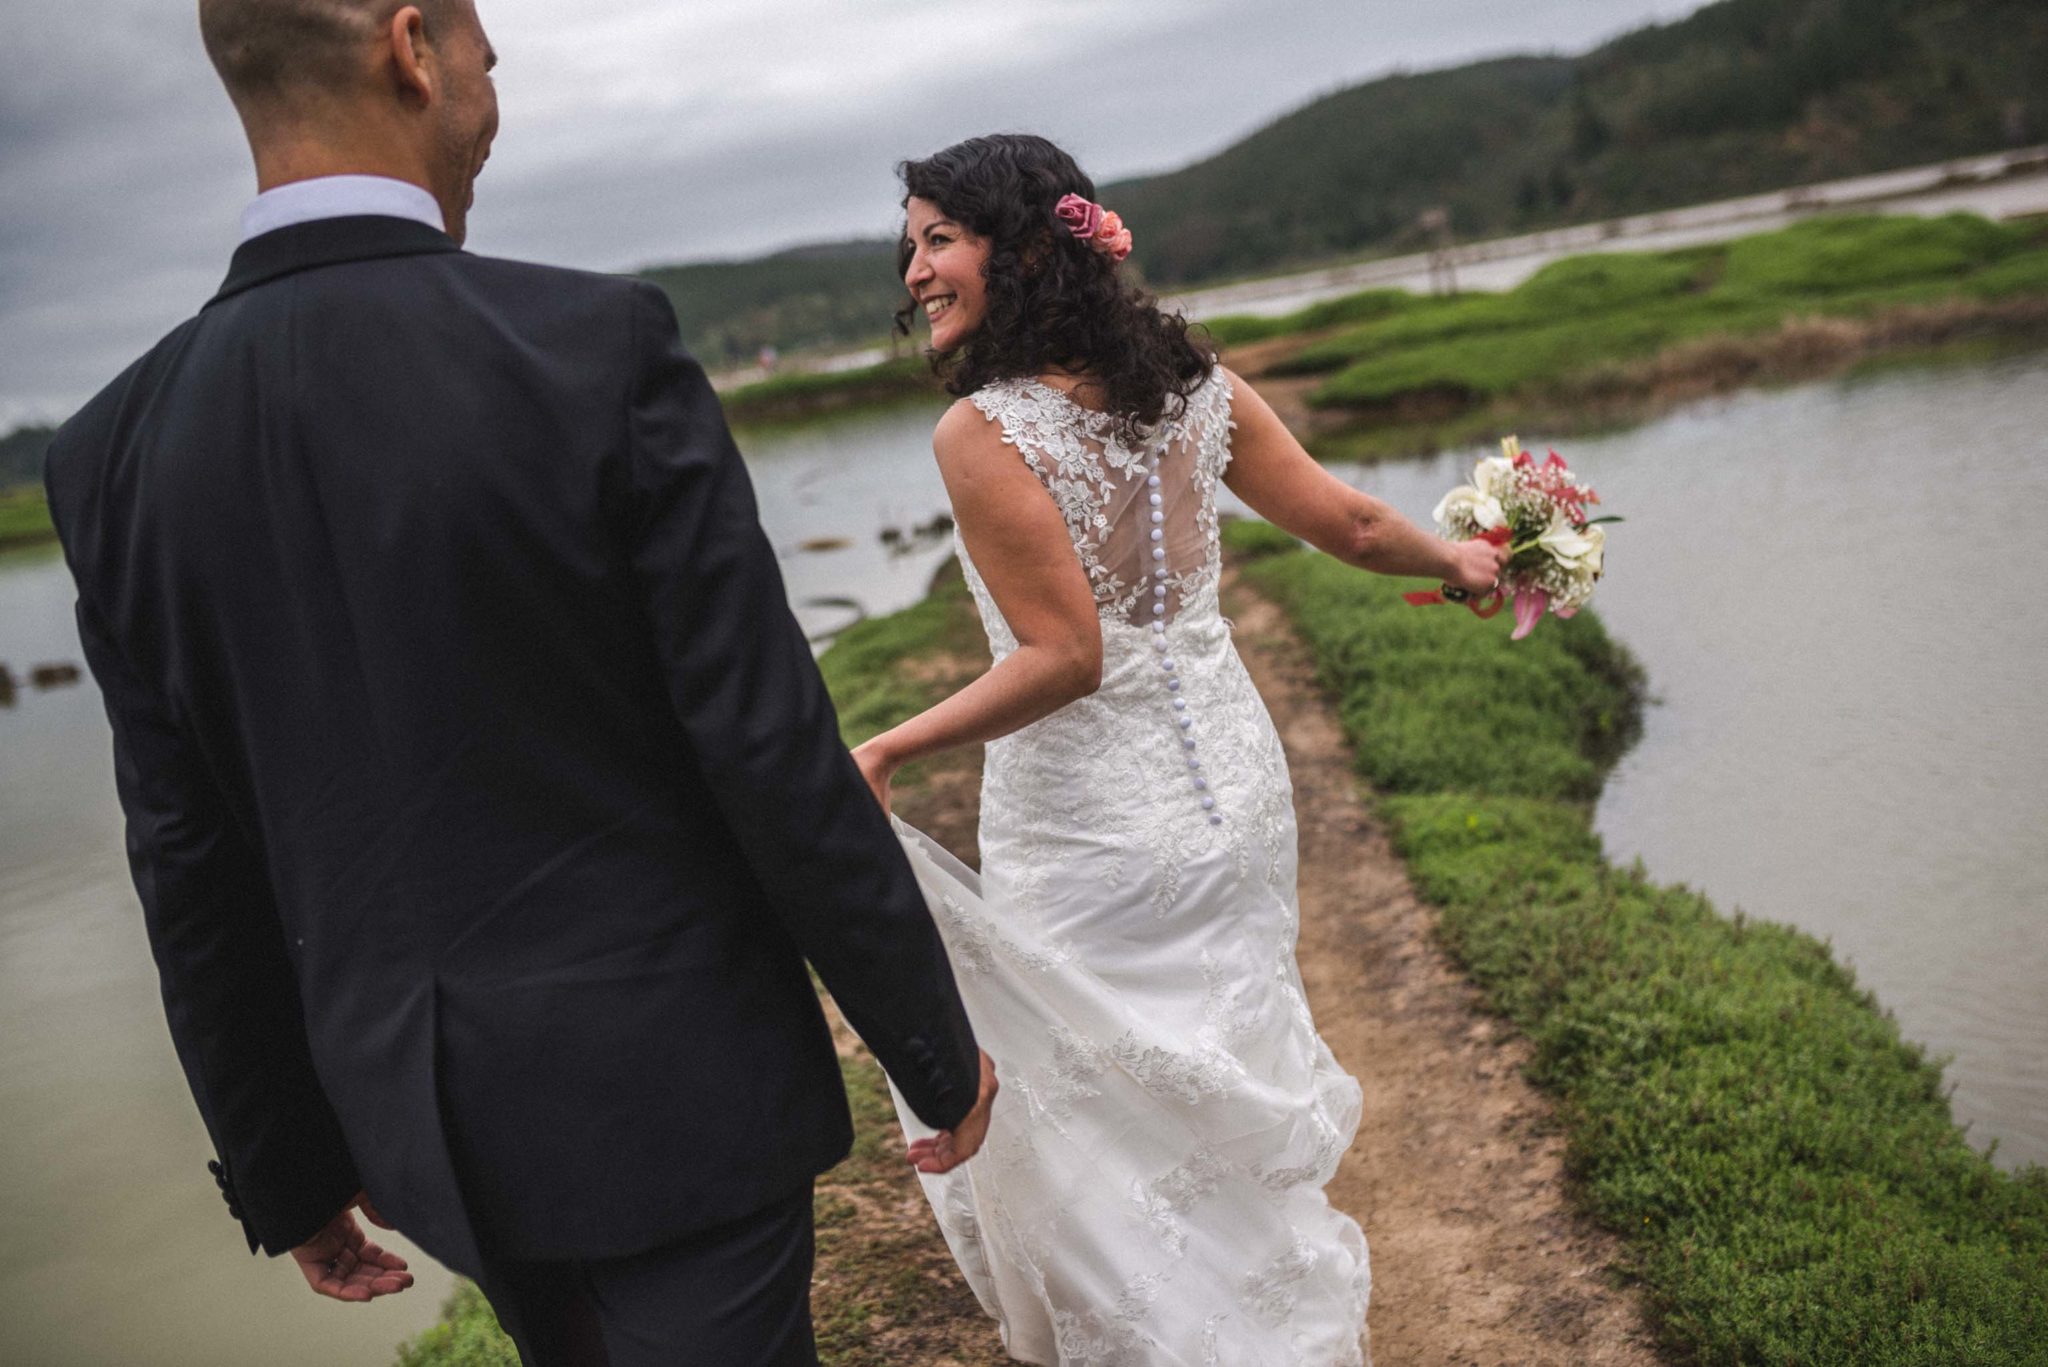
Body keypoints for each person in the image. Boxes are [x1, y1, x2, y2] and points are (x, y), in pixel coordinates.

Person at [41, 3, 995, 1363]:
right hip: (676, 1084)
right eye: (491, 58)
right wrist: (931, 1043)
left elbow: (189, 865)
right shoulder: (595, 348)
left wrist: (289, 1168)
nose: (494, 97)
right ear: (413, 48)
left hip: (420, 1123)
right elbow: (766, 743)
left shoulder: (110, 451)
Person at [852, 134, 1509, 1365]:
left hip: (1091, 825)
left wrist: (885, 742)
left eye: (939, 238)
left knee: (1086, 1108)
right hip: (1233, 798)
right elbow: (1354, 522)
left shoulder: (983, 432)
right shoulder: (1191, 378)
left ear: (1027, 248)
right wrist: (1457, 558)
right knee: (1217, 1068)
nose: (915, 269)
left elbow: (1063, 655)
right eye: (911, 244)